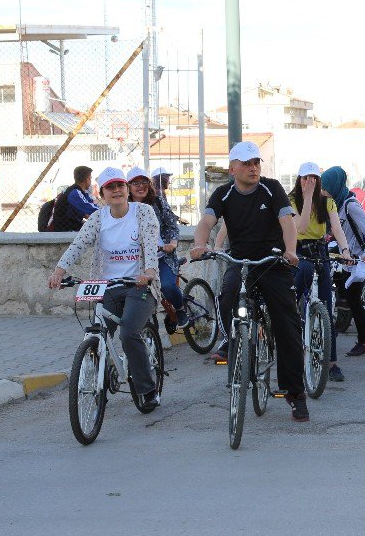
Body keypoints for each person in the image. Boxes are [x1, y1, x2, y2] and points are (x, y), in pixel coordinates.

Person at [189, 141, 309, 423]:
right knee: (227, 296)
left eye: (256, 162)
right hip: (240, 261)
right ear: (233, 169)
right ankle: (236, 343)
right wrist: (198, 244)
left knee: (287, 323)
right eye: (246, 163)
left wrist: (290, 250)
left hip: (273, 262)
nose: (253, 167)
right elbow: (207, 221)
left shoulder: (272, 188)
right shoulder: (223, 193)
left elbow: (287, 223)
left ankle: (295, 393)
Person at [48, 167, 162, 412]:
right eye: (111, 187)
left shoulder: (143, 212)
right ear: (102, 193)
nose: (117, 191)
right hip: (106, 286)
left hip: (138, 285)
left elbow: (151, 244)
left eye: (120, 185)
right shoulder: (99, 218)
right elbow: (79, 244)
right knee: (94, 333)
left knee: (128, 332)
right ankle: (98, 378)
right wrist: (59, 270)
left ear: (127, 188)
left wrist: (150, 272)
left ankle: (147, 389)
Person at [290, 162, 352, 383]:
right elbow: (301, 228)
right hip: (298, 251)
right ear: (299, 180)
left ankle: (331, 362)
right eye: (306, 178)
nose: (310, 183)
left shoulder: (328, 202)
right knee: (291, 299)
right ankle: (289, 347)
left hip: (320, 250)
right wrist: (306, 199)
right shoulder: (290, 202)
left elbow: (336, 228)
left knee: (327, 305)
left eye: (314, 179)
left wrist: (345, 250)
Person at [321, 165, 365, 357]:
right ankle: (358, 337)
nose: (323, 191)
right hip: (348, 259)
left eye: (325, 186)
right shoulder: (336, 203)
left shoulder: (350, 205)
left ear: (334, 185)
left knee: (353, 299)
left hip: (358, 261)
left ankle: (364, 341)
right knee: (348, 297)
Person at [125, 166, 187, 329]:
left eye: (144, 182)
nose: (140, 186)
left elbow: (171, 226)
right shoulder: (124, 208)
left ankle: (180, 309)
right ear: (128, 187)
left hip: (161, 257)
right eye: (135, 183)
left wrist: (172, 244)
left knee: (167, 286)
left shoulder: (157, 202)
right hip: (135, 261)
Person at [52, 165, 101, 232]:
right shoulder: (74, 193)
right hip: (65, 229)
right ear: (87, 180)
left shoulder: (80, 192)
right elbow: (91, 209)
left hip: (71, 225)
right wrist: (108, 212)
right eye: (90, 178)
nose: (91, 181)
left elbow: (88, 211)